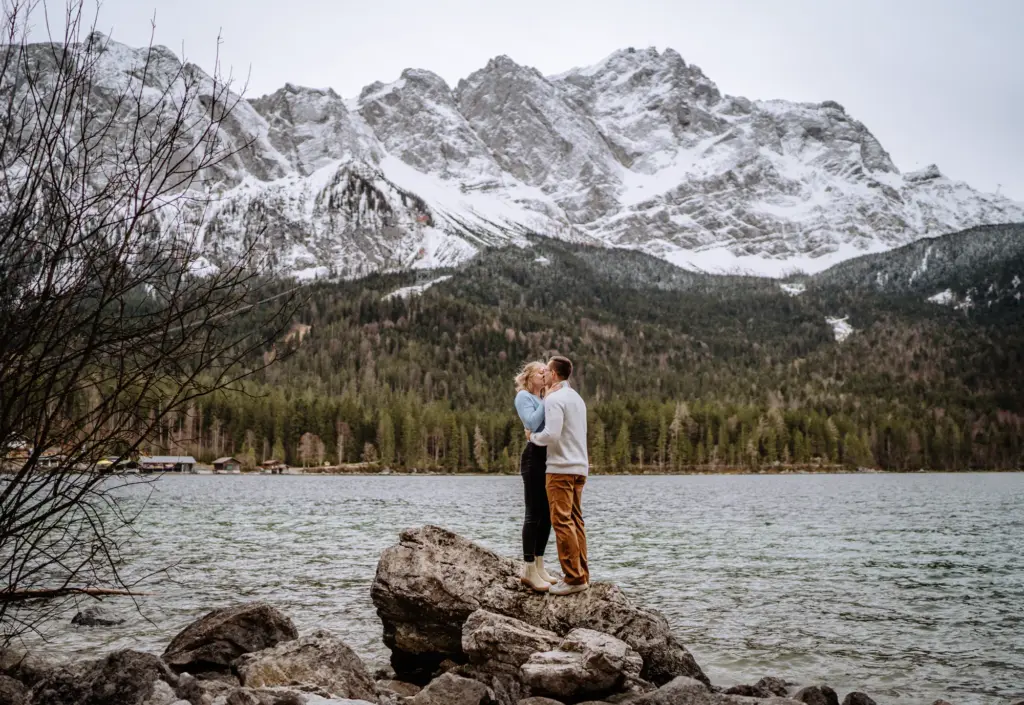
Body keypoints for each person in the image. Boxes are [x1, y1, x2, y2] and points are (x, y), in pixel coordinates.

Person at [527, 355, 589, 596]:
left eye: (547, 371)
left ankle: (573, 579)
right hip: (580, 468)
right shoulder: (577, 399)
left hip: (560, 469)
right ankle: (582, 573)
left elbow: (551, 435)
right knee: (576, 521)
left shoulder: (555, 398)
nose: (545, 375)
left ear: (554, 374)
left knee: (561, 521)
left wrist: (532, 437)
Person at [513, 361, 561, 592]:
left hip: (547, 457)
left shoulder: (544, 400)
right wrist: (550, 397)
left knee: (547, 514)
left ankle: (540, 565)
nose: (545, 374)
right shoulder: (524, 397)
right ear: (529, 376)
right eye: (540, 371)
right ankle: (528, 568)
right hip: (533, 458)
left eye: (546, 371)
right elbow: (531, 422)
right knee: (533, 513)